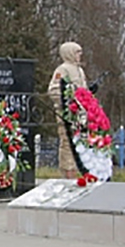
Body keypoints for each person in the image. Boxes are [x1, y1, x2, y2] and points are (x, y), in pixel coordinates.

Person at [48, 41, 88, 179]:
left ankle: (79, 169)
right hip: (67, 112)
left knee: (80, 141)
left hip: (81, 113)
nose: (80, 55)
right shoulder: (62, 70)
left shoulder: (80, 70)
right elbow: (54, 90)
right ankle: (68, 171)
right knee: (67, 142)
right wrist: (69, 97)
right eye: (77, 52)